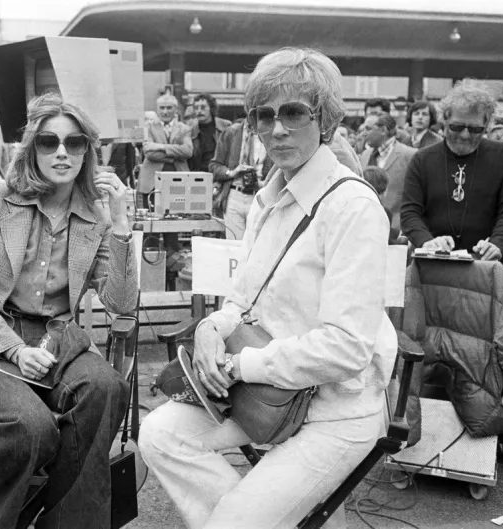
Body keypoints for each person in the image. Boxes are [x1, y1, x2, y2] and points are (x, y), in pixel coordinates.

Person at [139, 47, 396, 529]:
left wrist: (239, 365)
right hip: (265, 398)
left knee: (234, 523)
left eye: (294, 113)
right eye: (264, 116)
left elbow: (346, 348)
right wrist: (212, 329)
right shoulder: (266, 198)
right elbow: (243, 299)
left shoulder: (353, 207)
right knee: (158, 435)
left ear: (327, 121)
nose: (277, 129)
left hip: (336, 409)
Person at [0, 92, 137, 528]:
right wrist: (13, 349)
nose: (62, 152)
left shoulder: (95, 217)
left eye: (74, 142)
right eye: (49, 142)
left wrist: (121, 228)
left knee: (107, 388)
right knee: (30, 426)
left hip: (54, 341)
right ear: (32, 148)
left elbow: (121, 303)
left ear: (87, 150)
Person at [401, 84, 503, 261]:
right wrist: (426, 242)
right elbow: (410, 211)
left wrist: (498, 242)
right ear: (444, 121)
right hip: (432, 261)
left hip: (484, 261)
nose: (465, 135)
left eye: (475, 129)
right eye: (457, 127)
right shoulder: (422, 159)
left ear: (487, 125)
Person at [209, 119, 273, 239]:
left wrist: (266, 183)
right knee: (235, 247)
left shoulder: (271, 134)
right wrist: (232, 173)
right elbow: (214, 166)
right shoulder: (231, 132)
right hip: (234, 195)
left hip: (260, 196)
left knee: (257, 245)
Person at [360, 114, 416, 238]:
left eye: (368, 129)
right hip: (365, 229)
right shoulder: (365, 155)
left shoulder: (409, 155)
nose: (364, 133)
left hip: (397, 231)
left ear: (383, 130)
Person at [138, 94, 192, 207]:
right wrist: (175, 156)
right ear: (157, 109)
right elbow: (149, 153)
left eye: (169, 108)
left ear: (176, 109)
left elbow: (187, 151)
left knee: (178, 217)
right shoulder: (148, 127)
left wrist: (160, 147)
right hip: (151, 182)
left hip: (179, 180)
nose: (165, 112)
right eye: (162, 108)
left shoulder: (184, 128)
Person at [188, 93, 231, 173]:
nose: (199, 111)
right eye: (196, 108)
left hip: (220, 174)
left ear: (211, 108)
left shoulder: (226, 126)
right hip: (198, 175)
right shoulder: (190, 129)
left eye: (203, 107)